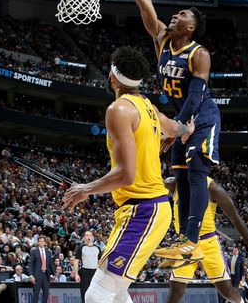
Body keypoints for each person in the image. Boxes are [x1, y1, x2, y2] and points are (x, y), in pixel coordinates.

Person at [106, 0, 219, 263]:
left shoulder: (200, 54)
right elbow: (145, 5)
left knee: (196, 171)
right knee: (180, 175)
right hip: (182, 118)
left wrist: (179, 129)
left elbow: (195, 97)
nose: (175, 14)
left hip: (202, 115)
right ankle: (186, 244)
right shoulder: (162, 40)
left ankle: (192, 243)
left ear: (192, 27)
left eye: (182, 14)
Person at [63, 46, 193, 303]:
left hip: (143, 210)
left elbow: (126, 175)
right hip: (145, 210)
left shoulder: (118, 110)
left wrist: (85, 188)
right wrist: (186, 128)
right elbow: (176, 128)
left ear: (112, 77)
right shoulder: (148, 107)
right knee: (118, 294)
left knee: (96, 295)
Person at [163, 177, 248, 303]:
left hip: (208, 243)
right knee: (175, 290)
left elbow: (235, 218)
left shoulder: (213, 188)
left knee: (226, 291)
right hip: (186, 243)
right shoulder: (174, 183)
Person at [72, 231, 101, 303]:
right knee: (84, 293)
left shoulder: (97, 248)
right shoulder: (81, 248)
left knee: (95, 293)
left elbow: (100, 262)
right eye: (87, 235)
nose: (89, 237)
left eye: (90, 235)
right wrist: (76, 274)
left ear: (93, 237)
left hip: (95, 273)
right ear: (84, 237)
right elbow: (76, 261)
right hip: (84, 272)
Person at [27, 237, 53, 303]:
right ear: (38, 242)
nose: (41, 242)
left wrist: (53, 274)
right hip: (37, 276)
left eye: (43, 241)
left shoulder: (48, 252)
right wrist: (31, 276)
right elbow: (31, 265)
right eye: (40, 241)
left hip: (46, 276)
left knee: (46, 295)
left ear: (45, 243)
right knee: (35, 294)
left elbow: (51, 264)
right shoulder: (34, 251)